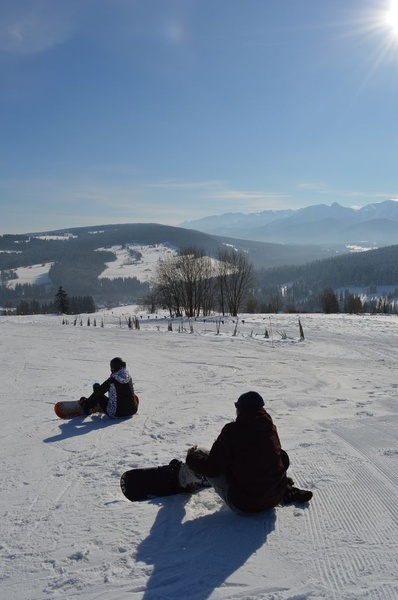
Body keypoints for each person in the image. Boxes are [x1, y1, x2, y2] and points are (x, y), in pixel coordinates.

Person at [178, 391, 312, 514]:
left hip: (245, 505)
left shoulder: (231, 432)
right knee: (280, 455)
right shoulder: (270, 427)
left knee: (200, 454)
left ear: (240, 410)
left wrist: (190, 458)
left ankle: (181, 481)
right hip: (275, 497)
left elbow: (211, 469)